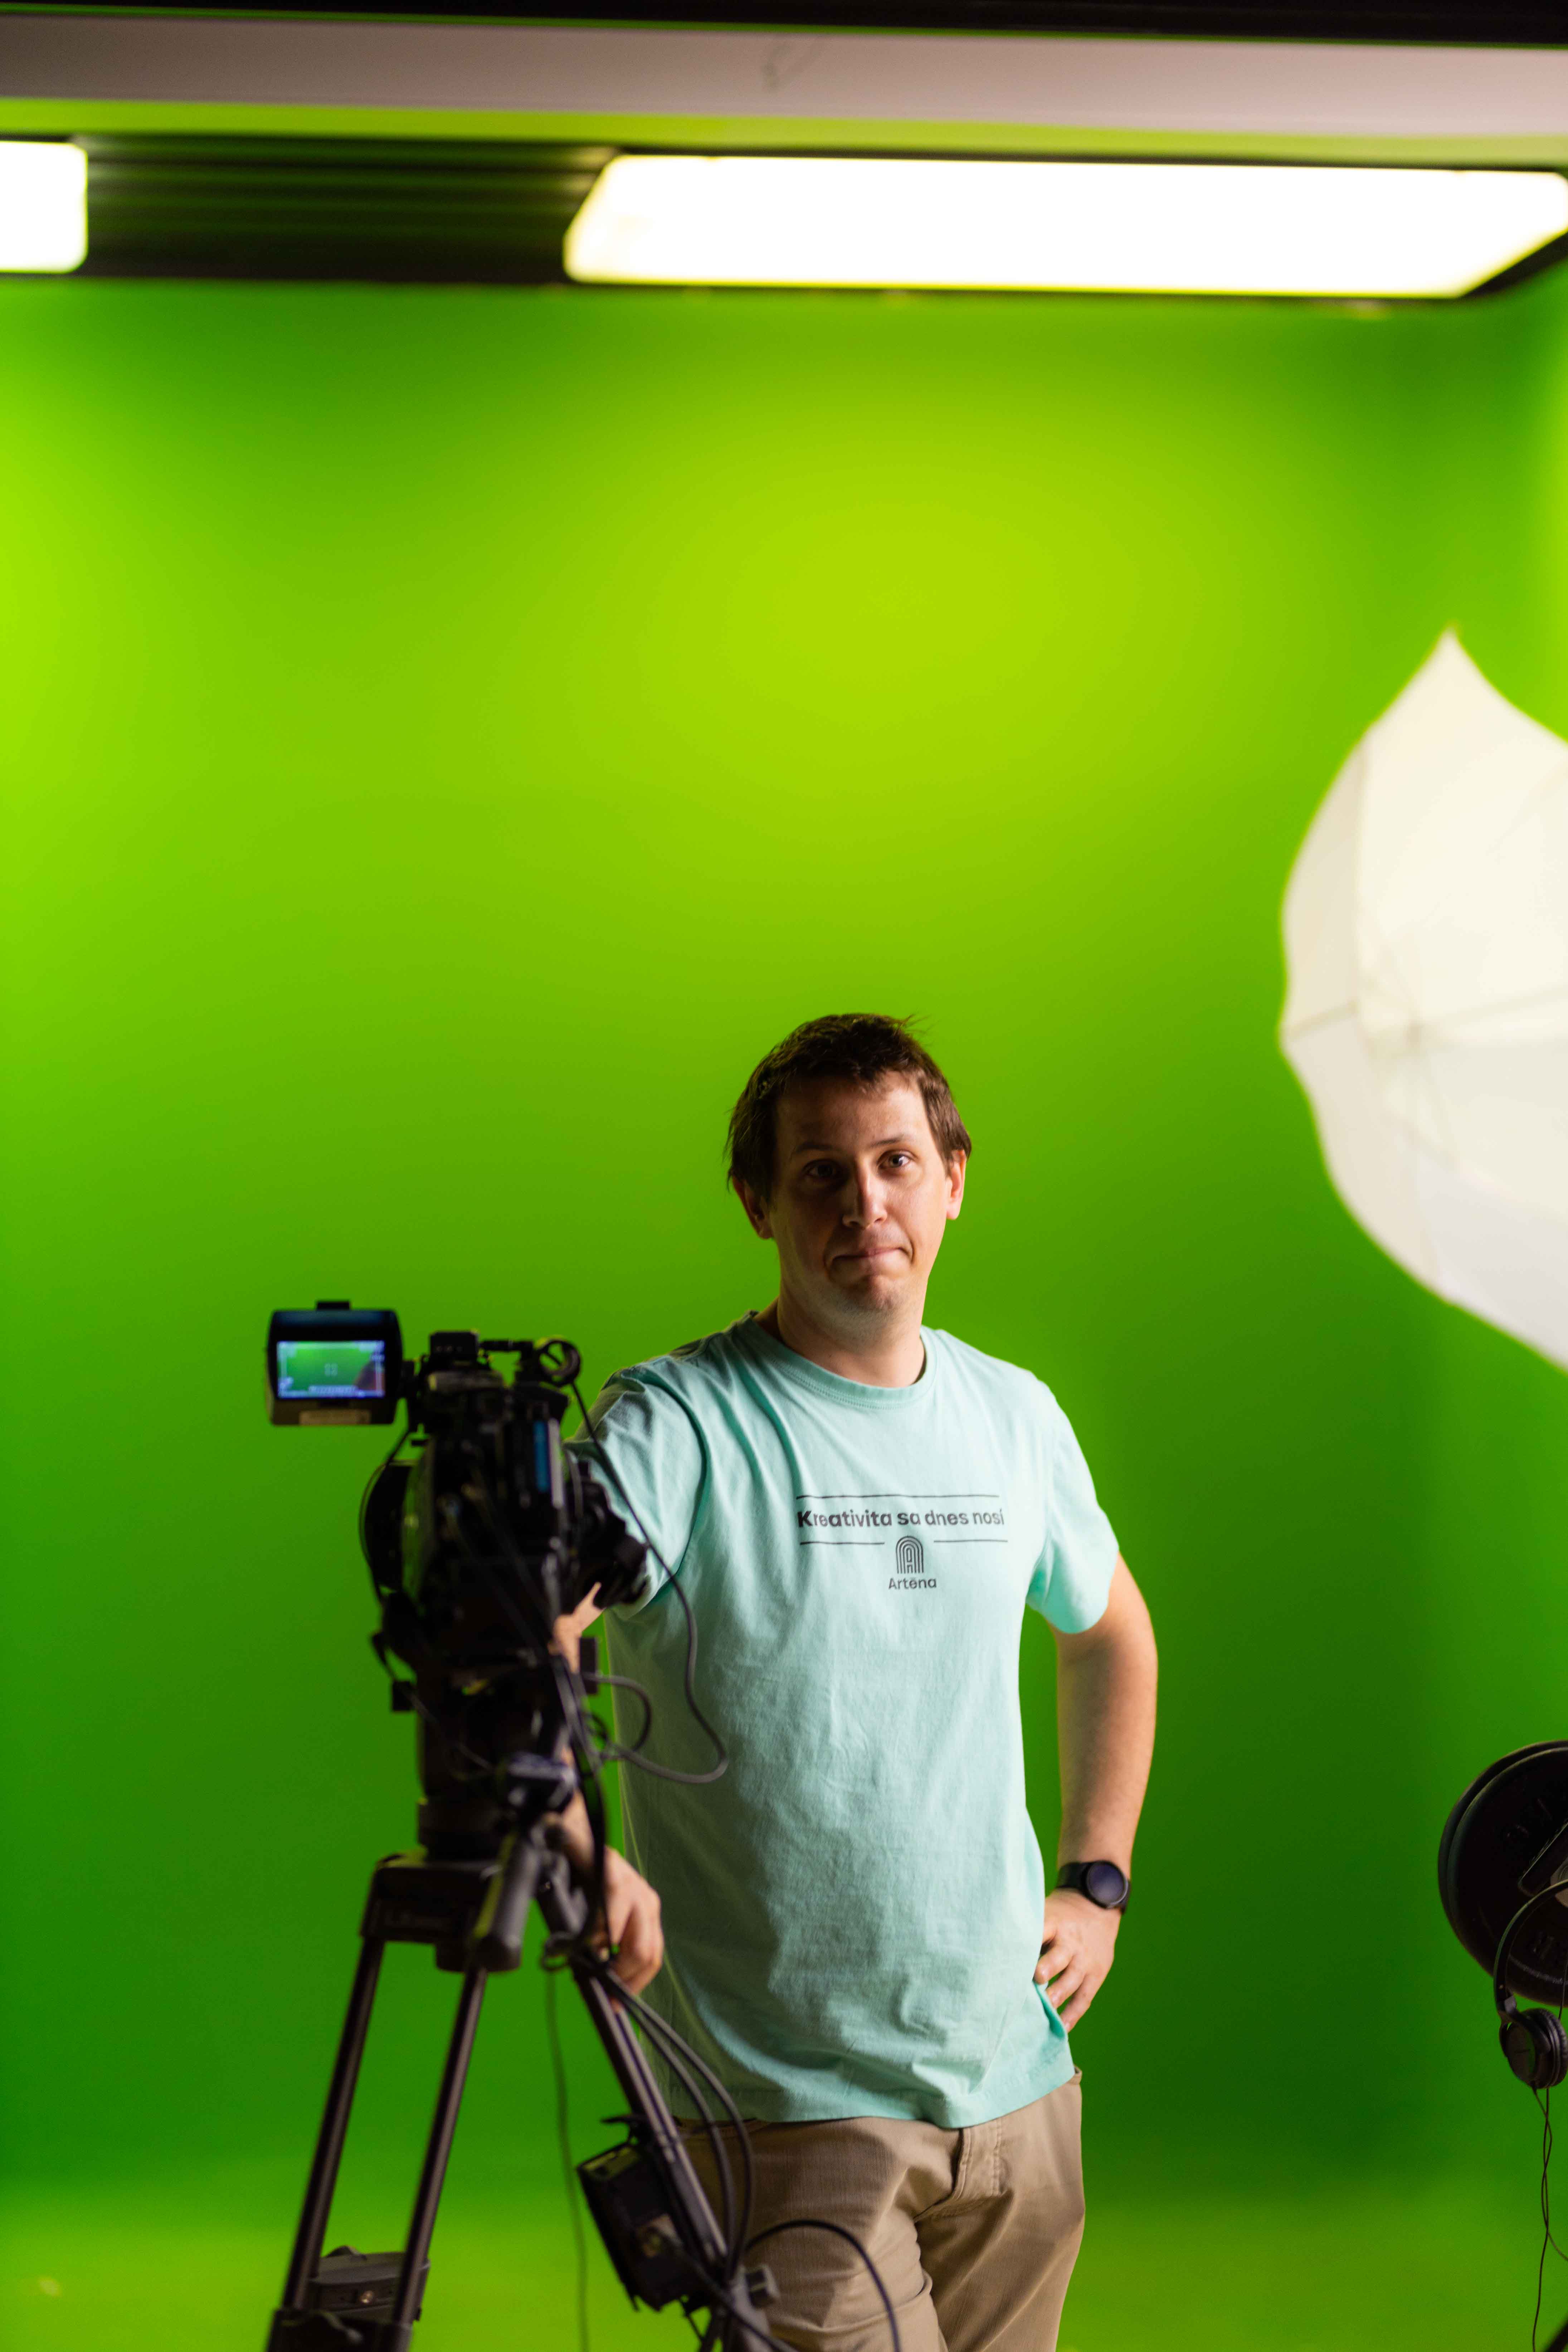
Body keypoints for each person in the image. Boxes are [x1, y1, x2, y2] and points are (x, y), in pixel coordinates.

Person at [560, 1013, 1157, 2352]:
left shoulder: (1015, 1415)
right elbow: (526, 1629)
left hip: (1016, 2083)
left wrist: (1098, 1882)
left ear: (953, 1181)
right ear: (759, 1203)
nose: (864, 1203)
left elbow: (1113, 1634)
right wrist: (580, 1849)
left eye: (896, 1163)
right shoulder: (675, 1425)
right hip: (789, 2107)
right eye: (820, 1172)